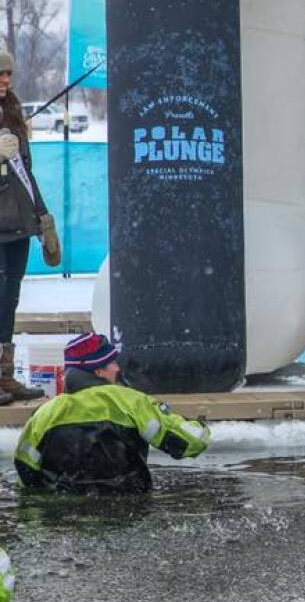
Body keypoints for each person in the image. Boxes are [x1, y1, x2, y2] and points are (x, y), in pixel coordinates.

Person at [13, 332, 210, 494]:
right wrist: (201, 427)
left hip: (62, 518)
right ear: (98, 371)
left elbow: (25, 472)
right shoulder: (130, 401)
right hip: (125, 513)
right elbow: (189, 442)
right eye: (112, 363)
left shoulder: (44, 414)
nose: (117, 368)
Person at [0, 47, 61, 406]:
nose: (6, 81)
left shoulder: (13, 112)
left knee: (10, 298)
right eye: (0, 75)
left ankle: (5, 377)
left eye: (8, 74)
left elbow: (26, 174)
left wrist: (43, 218)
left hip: (19, 223)